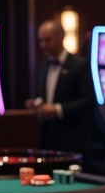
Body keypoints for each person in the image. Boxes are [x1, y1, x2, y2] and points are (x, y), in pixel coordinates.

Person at [27, 18, 96, 159]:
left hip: (72, 139)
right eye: (41, 41)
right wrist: (37, 104)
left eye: (47, 40)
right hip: (46, 139)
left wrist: (57, 109)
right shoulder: (41, 66)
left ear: (61, 37)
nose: (43, 45)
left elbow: (89, 100)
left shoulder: (79, 64)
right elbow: (43, 97)